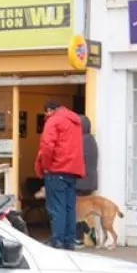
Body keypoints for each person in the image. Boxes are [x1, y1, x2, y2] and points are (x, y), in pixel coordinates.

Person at [35, 101, 85, 250]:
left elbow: (47, 145)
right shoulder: (75, 121)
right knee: (69, 207)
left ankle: (57, 240)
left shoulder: (54, 120)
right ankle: (69, 240)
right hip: (72, 170)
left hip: (57, 169)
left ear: (49, 110)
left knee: (57, 207)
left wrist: (46, 166)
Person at [74, 115, 99, 246]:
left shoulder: (81, 141)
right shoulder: (92, 140)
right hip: (90, 181)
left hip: (81, 182)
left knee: (77, 211)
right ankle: (89, 230)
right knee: (83, 211)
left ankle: (79, 238)